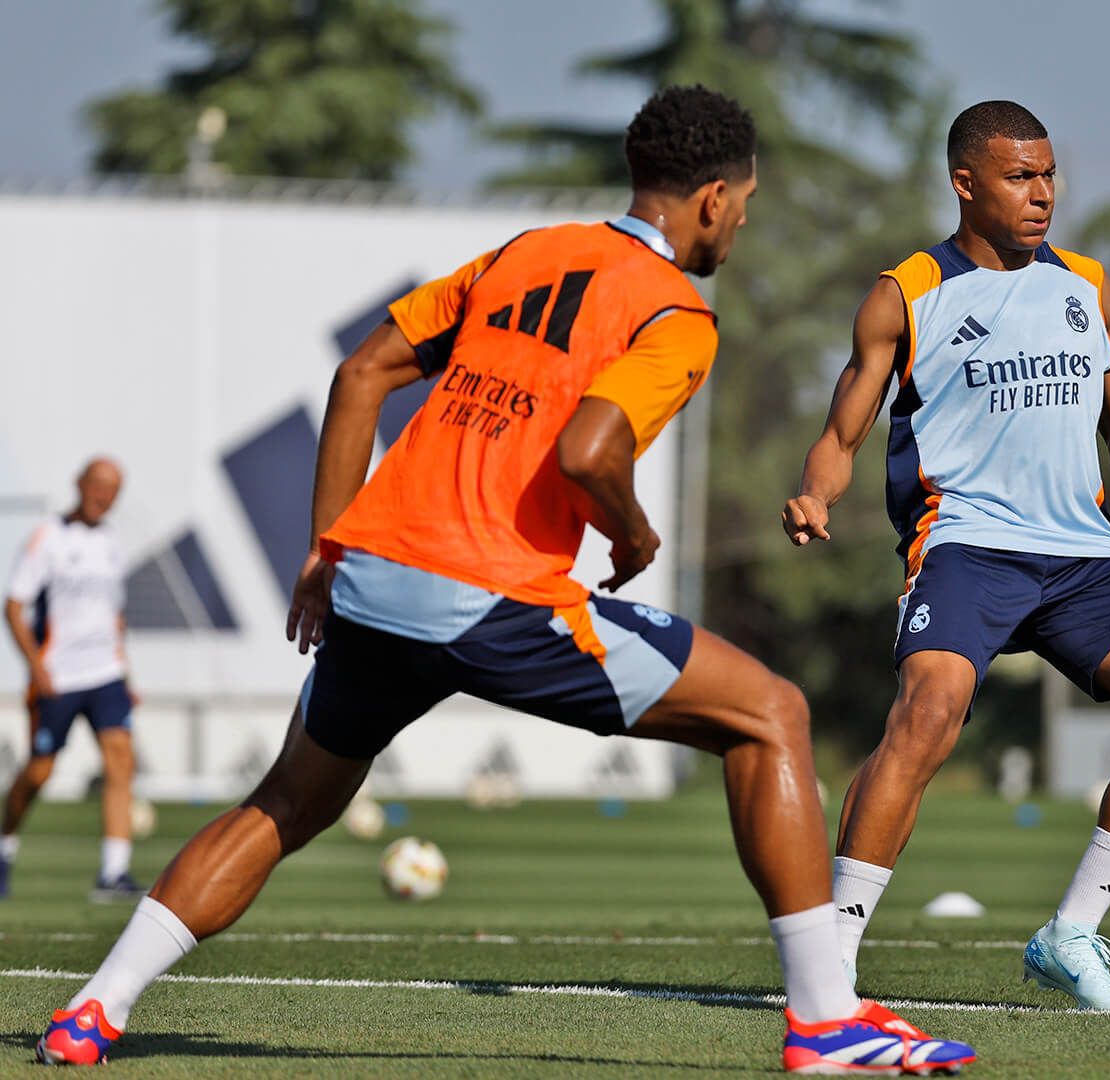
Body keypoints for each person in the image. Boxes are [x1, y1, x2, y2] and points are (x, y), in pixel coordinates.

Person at [38, 86, 973, 1075]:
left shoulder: (525, 254)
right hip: (490, 594)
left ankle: (93, 1009)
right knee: (772, 713)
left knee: (285, 803)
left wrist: (327, 548)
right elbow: (589, 450)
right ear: (710, 199)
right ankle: (827, 1020)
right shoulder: (675, 312)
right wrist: (634, 531)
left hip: (377, 580)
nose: (741, 220)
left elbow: (363, 373)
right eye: (743, 202)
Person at [783, 100, 1110, 1012]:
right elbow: (844, 425)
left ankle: (1070, 936)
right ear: (965, 182)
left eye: (1051, 174)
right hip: (967, 544)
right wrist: (815, 495)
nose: (1043, 194)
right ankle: (834, 960)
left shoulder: (1087, 285)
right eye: (1021, 177)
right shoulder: (905, 293)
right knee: (932, 708)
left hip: (1082, 553)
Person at [2, 457, 142, 903]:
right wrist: (36, 667)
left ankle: (113, 872)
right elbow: (15, 607)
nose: (104, 496)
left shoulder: (113, 543)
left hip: (105, 675)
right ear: (79, 484)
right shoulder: (49, 539)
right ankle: (5, 845)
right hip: (58, 678)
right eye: (98, 485)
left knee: (120, 759)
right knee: (40, 772)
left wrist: (125, 671)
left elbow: (113, 615)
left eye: (113, 489)